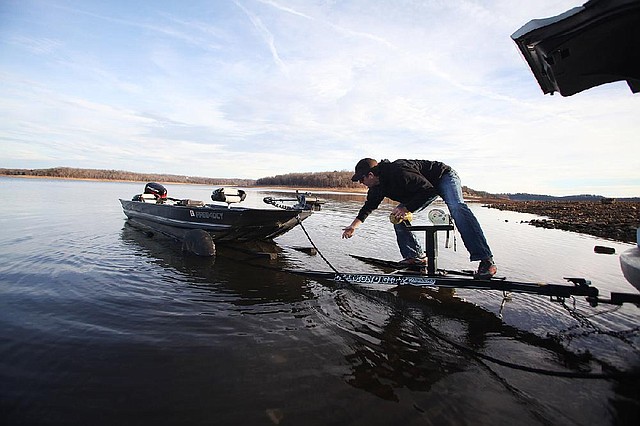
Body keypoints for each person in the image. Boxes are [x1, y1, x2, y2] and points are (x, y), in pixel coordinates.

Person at [341, 158, 497, 278]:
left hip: (443, 177)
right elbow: (368, 207)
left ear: (370, 175)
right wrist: (353, 226)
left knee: (457, 208)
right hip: (422, 190)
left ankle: (486, 261)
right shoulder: (376, 187)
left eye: (361, 180)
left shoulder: (398, 171)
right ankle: (415, 257)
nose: (361, 183)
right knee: (397, 216)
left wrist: (406, 207)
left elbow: (428, 190)